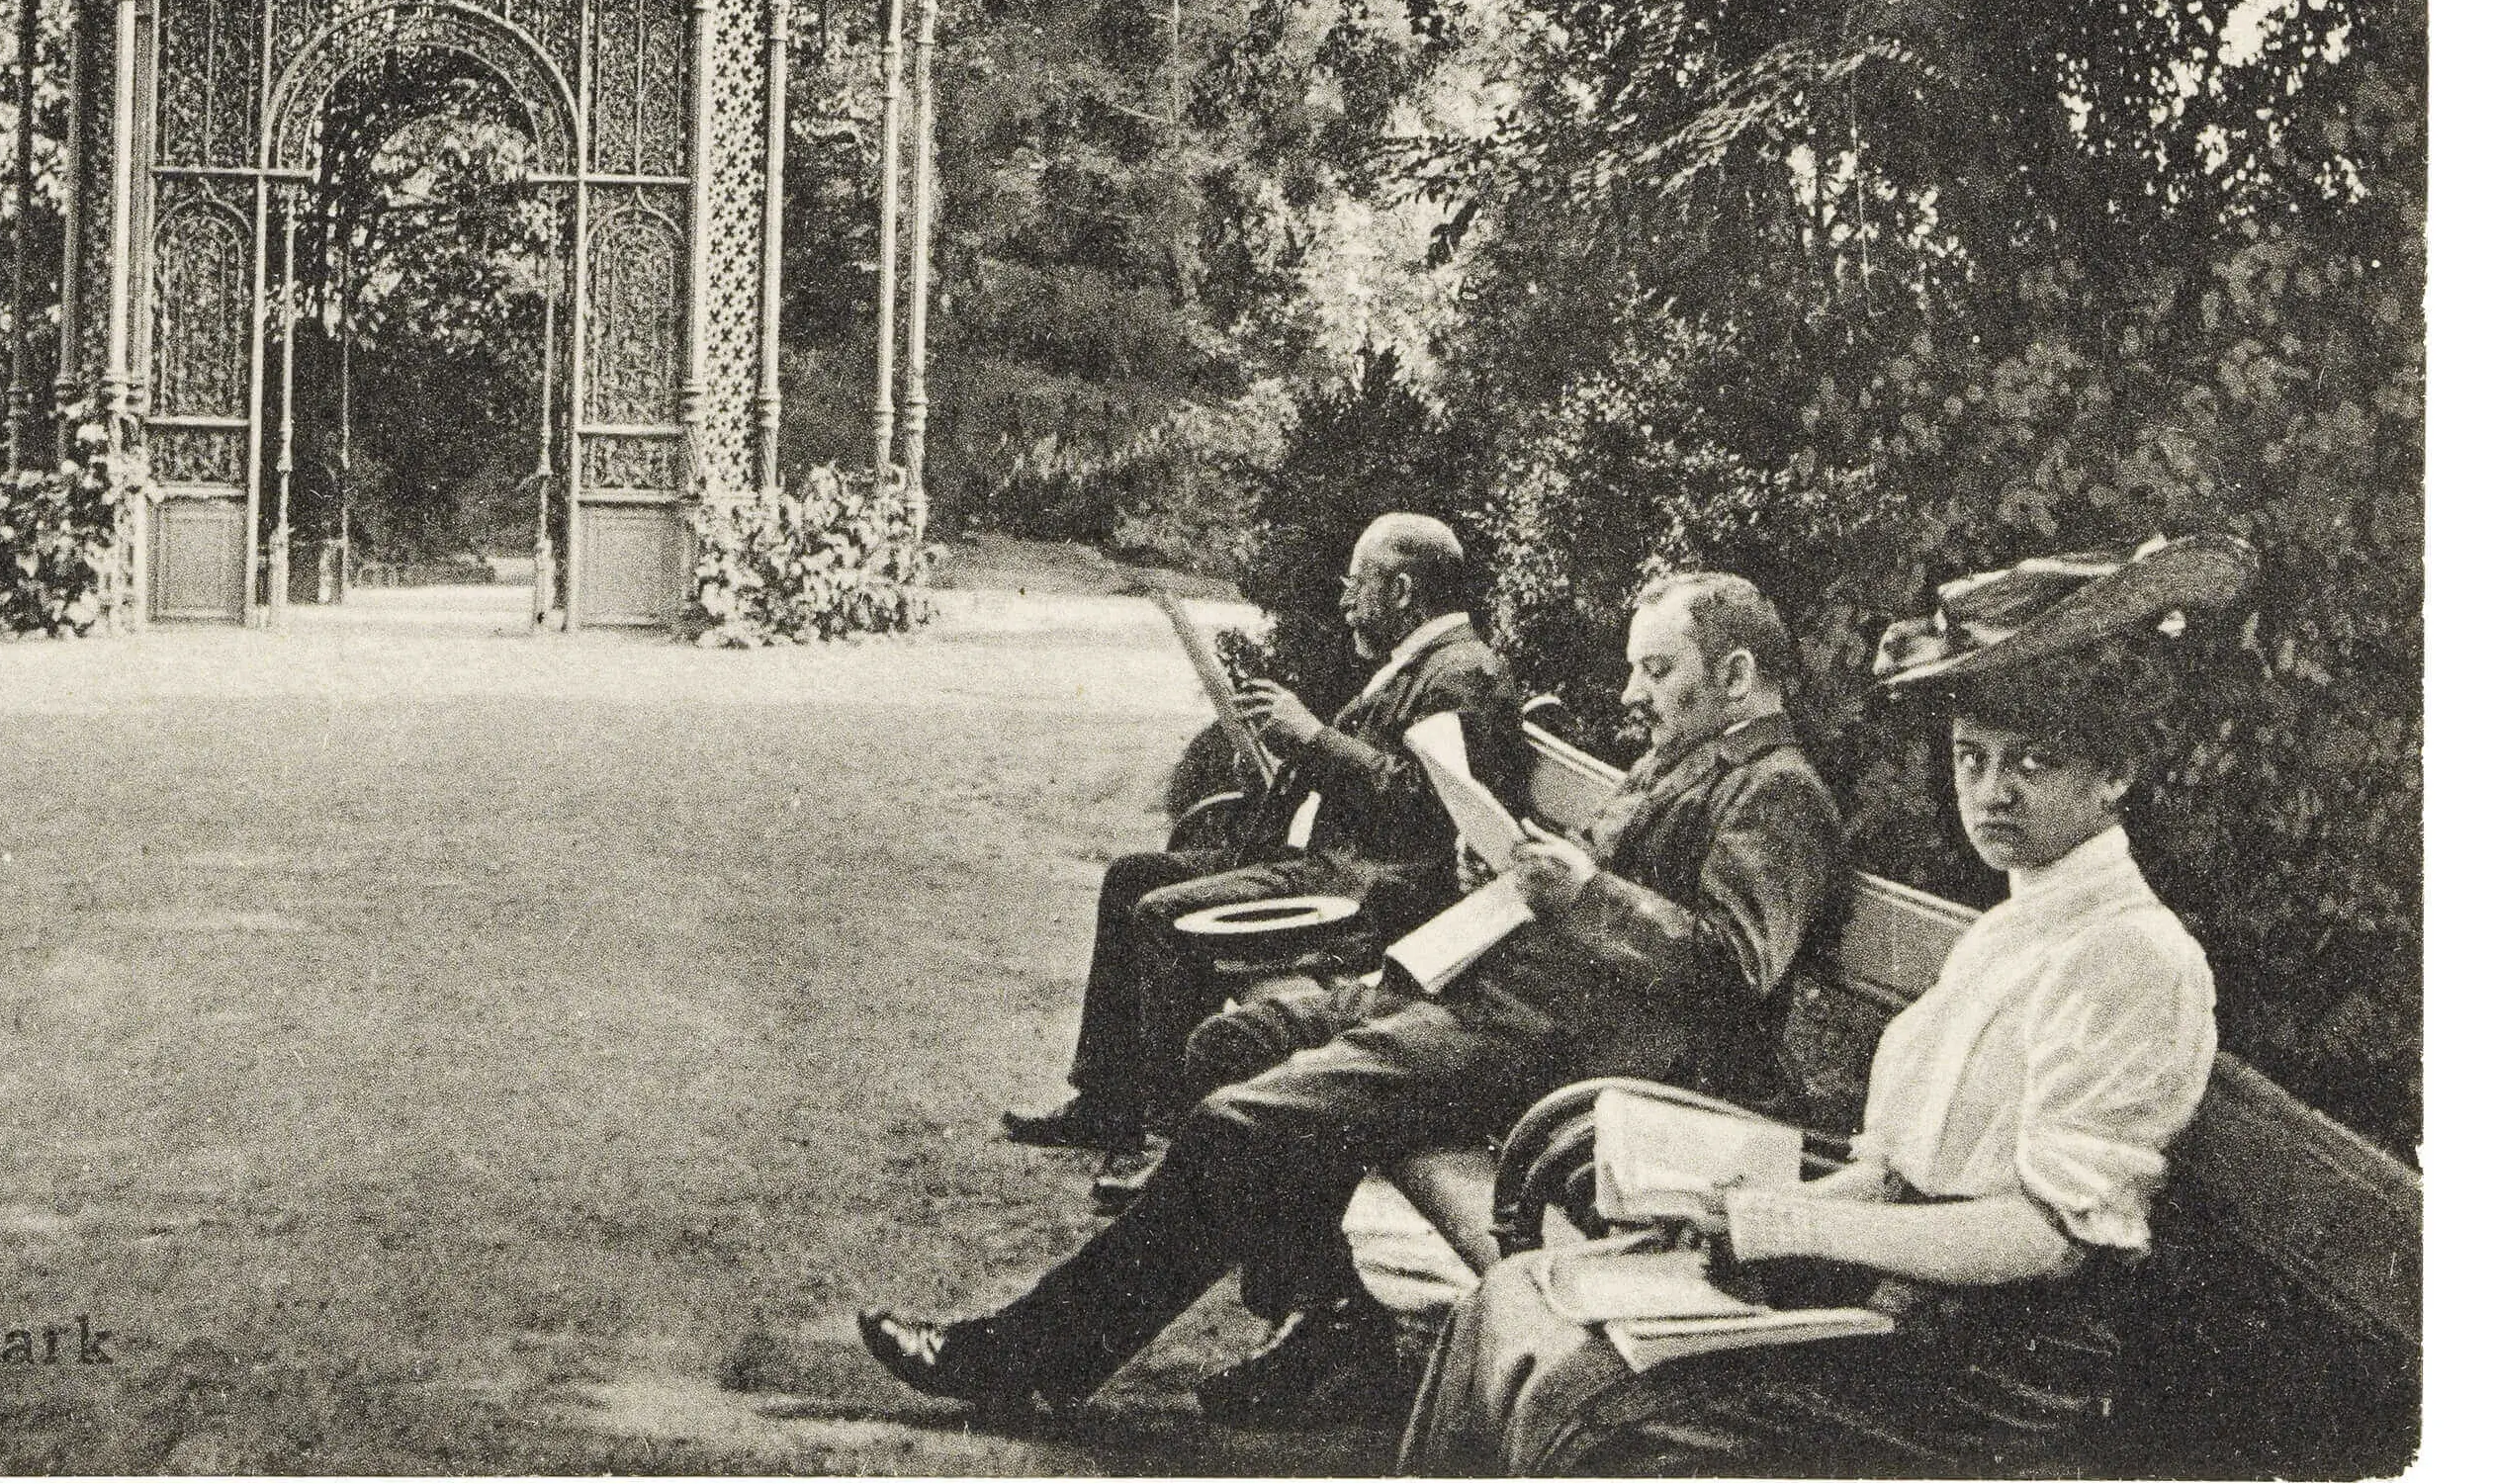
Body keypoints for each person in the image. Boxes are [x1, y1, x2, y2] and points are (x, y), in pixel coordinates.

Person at [867, 568, 1846, 1422]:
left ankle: (1024, 1359)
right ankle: (1331, 1326)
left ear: (1735, 675)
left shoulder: (1775, 787)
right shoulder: (1689, 753)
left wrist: (1583, 891)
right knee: (1234, 1042)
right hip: (1491, 995)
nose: (1635, 691)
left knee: (1244, 1123)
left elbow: (1734, 967)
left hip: (1568, 1058)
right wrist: (1503, 865)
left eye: (1658, 669)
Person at [1398, 536, 2246, 1477]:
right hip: (1906, 1305)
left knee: (1584, 1397)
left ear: (2114, 771)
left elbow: (2051, 1240)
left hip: (1994, 1372)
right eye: (1973, 757)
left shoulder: (2134, 953)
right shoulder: (2015, 928)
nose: (1992, 792)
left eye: (2035, 761)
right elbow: (1899, 1170)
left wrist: (1789, 1225)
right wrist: (1747, 1210)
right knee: (1515, 1297)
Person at [1005, 513, 1529, 1157]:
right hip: (1326, 867)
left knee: (1164, 915)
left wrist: (1313, 737)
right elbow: (1381, 784)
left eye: (1356, 582)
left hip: (1367, 896)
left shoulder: (1462, 671)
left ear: (1401, 590)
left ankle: (1177, 1141)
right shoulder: (1425, 663)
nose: (1344, 599)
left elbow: (1430, 809)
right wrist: (1283, 754)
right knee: (1134, 877)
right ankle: (1107, 1103)